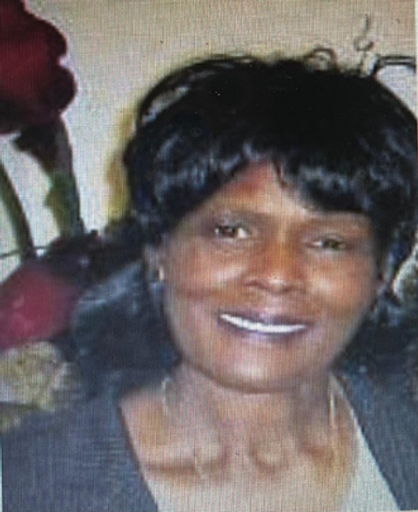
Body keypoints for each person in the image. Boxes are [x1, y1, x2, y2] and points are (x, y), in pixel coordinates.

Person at [3, 53, 418, 512]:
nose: (277, 275)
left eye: (329, 243)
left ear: (382, 272)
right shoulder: (26, 484)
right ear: (159, 249)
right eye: (231, 231)